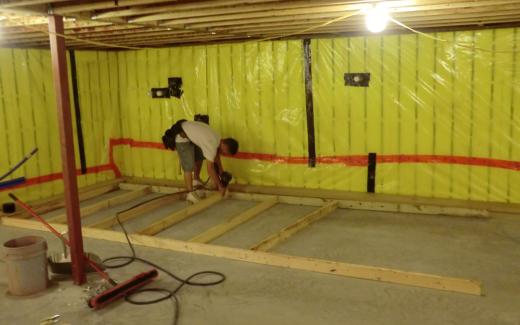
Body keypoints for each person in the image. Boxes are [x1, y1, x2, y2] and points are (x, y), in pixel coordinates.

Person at [162, 120, 239, 203]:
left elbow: (217, 159)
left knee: (200, 156)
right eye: (225, 152)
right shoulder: (211, 145)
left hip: (187, 132)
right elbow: (210, 170)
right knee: (189, 165)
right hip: (181, 136)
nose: (223, 154)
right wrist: (220, 186)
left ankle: (196, 180)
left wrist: (222, 174)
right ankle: (190, 193)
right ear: (223, 144)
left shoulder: (217, 139)